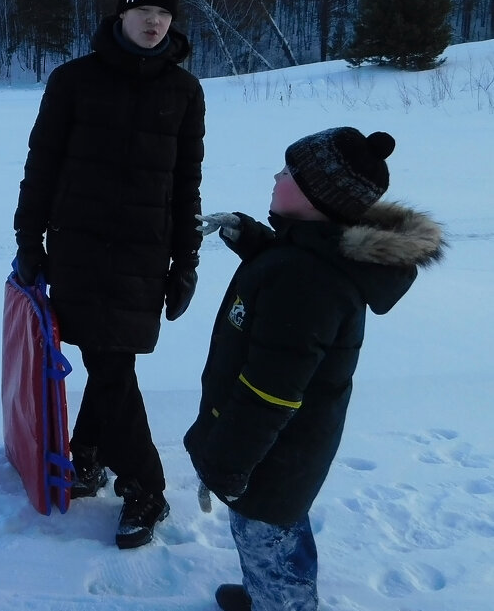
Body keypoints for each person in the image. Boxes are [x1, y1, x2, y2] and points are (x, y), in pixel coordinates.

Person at [184, 127, 444, 611]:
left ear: (314, 197)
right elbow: (303, 262)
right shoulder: (312, 257)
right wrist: (255, 238)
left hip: (271, 451)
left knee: (264, 535)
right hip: (291, 447)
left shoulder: (306, 282)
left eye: (288, 172)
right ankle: (275, 592)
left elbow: (270, 391)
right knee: (282, 526)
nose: (276, 175)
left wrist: (227, 464)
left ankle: (282, 601)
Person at [13, 0, 205, 549]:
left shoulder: (184, 91)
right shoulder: (74, 81)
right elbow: (40, 167)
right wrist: (30, 242)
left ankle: (92, 458)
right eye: (145, 10)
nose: (154, 22)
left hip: (145, 257)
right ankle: (145, 484)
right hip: (80, 251)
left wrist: (185, 262)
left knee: (112, 364)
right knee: (111, 364)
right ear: (122, 12)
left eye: (165, 13)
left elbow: (186, 185)